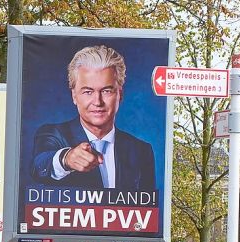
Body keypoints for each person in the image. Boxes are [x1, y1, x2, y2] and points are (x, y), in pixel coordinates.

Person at [30, 45, 156, 192]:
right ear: (74, 96)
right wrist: (66, 159)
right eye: (88, 92)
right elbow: (39, 166)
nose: (97, 102)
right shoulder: (52, 135)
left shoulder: (141, 150)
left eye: (106, 91)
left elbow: (148, 204)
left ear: (120, 94)